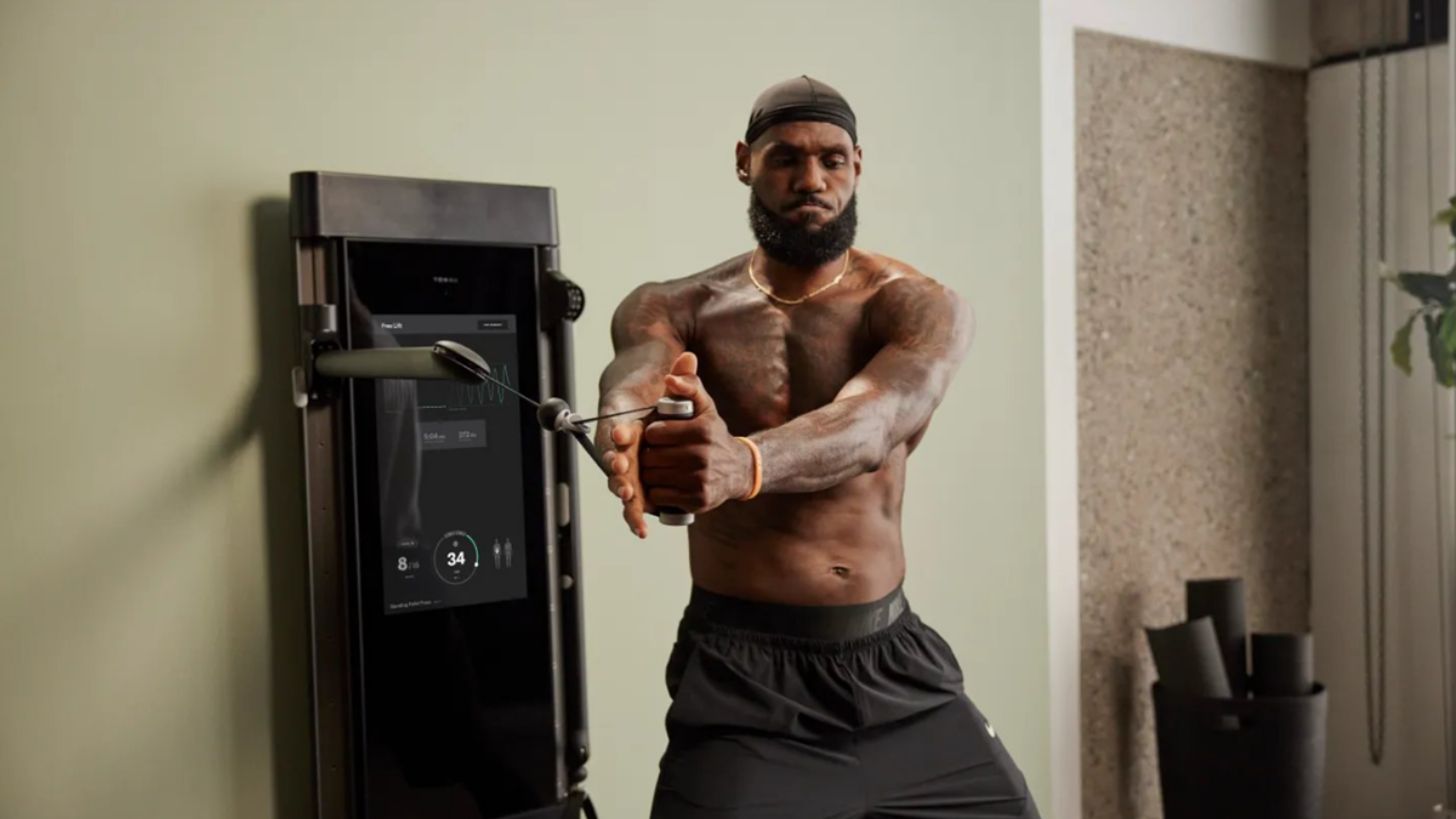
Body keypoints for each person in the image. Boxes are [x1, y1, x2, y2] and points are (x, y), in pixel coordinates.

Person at [594, 75, 1040, 819]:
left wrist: (744, 463)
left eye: (832, 159)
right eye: (786, 158)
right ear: (745, 162)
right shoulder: (674, 305)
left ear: (857, 165)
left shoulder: (916, 304)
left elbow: (871, 425)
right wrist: (622, 424)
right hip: (744, 679)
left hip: (893, 667)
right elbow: (637, 372)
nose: (812, 180)